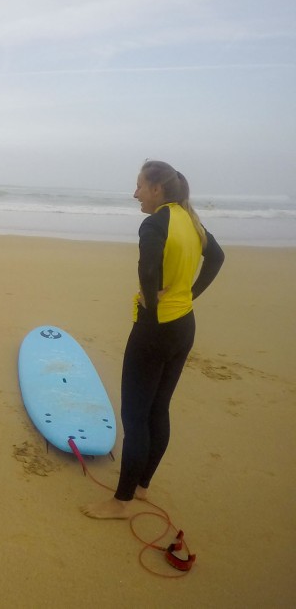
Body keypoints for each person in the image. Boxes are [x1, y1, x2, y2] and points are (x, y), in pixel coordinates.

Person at [82, 160, 225, 520]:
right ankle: (142, 487)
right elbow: (217, 256)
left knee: (135, 416)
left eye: (140, 186)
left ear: (156, 189)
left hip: (154, 330)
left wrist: (149, 295)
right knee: (158, 409)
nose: (135, 194)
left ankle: (122, 502)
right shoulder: (189, 220)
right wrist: (190, 294)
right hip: (183, 325)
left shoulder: (155, 222)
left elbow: (147, 268)